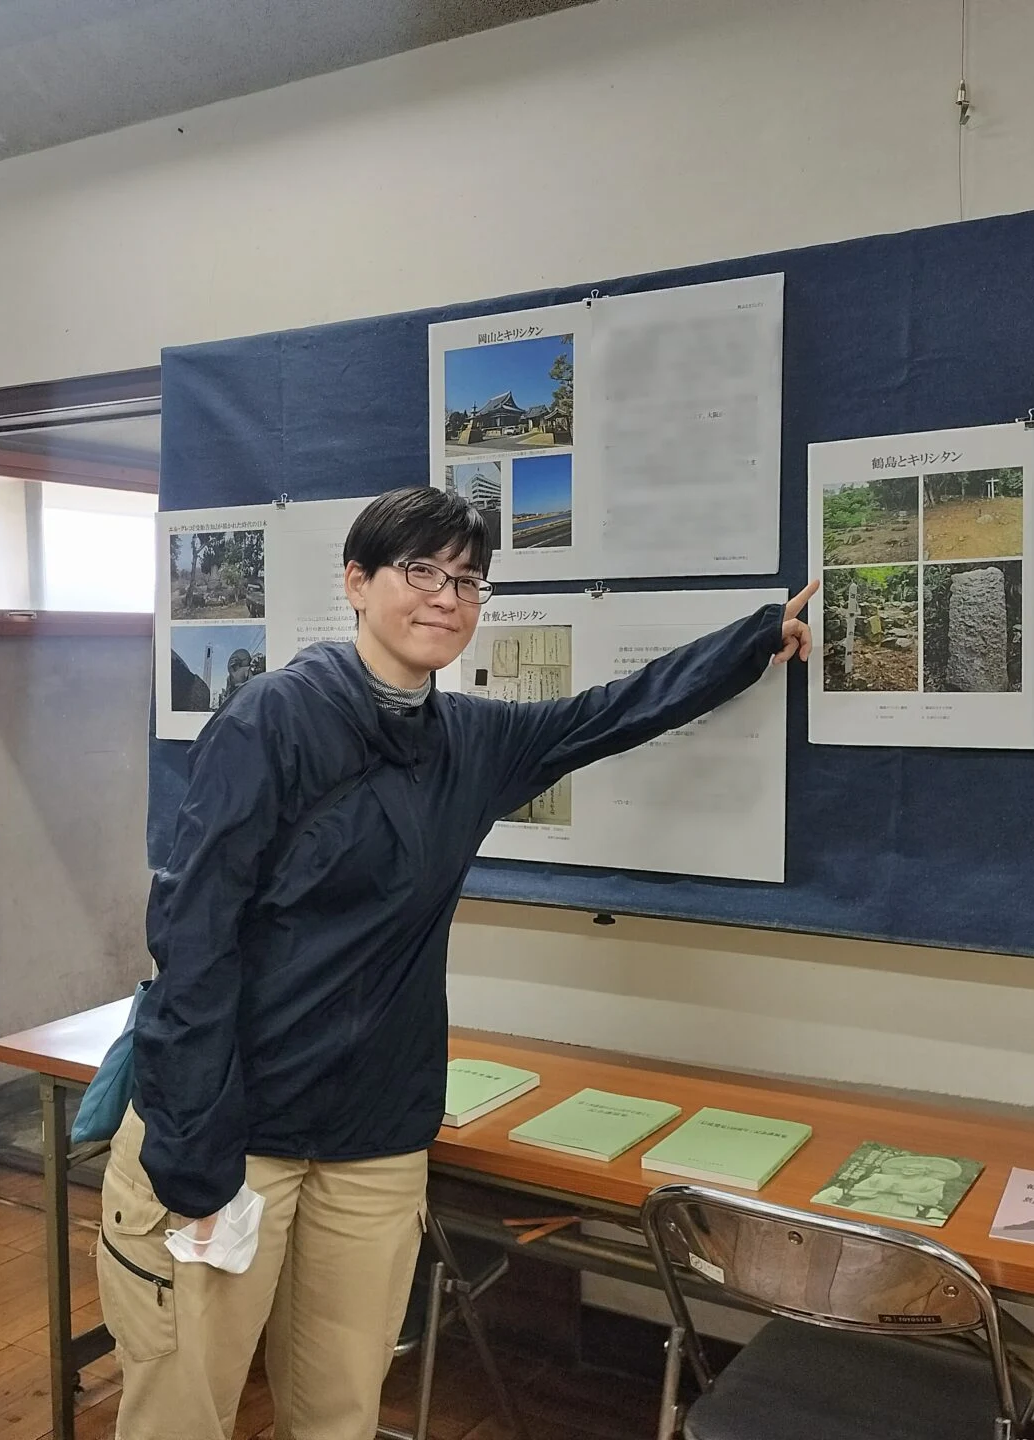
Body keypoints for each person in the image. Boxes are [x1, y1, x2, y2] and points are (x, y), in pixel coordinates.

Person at [98, 487, 817, 1440]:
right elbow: (191, 941)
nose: (447, 597)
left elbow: (611, 714)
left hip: (373, 1139)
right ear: (356, 583)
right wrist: (192, 1164)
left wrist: (757, 638)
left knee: (341, 1409)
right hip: (234, 1133)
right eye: (421, 571)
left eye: (469, 581)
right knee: (182, 1411)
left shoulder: (470, 742)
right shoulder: (274, 720)